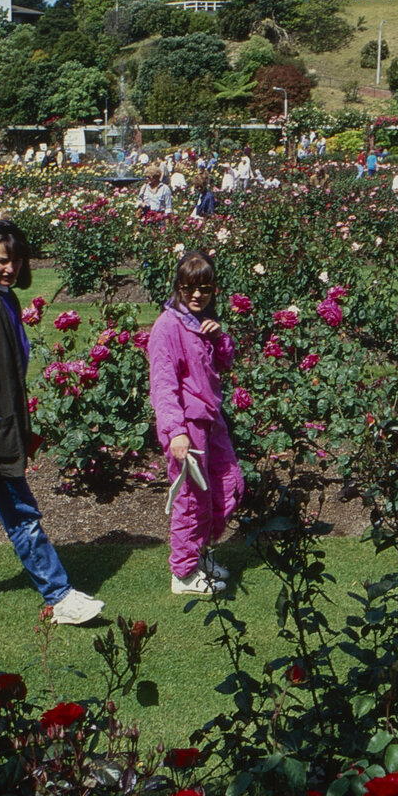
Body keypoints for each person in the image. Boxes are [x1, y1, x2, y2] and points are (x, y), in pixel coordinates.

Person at [0, 222, 105, 624]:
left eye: (16, 260)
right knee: (21, 513)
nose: (10, 267)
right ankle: (59, 596)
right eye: (1, 260)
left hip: (1, 424)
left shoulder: (4, 298)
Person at [147, 250, 245, 597]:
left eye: (204, 288)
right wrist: (176, 432)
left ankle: (199, 554)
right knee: (190, 498)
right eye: (189, 288)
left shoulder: (201, 322)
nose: (197, 295)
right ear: (178, 287)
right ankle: (184, 573)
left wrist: (219, 339)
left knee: (225, 485)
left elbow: (224, 364)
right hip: (187, 426)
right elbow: (163, 384)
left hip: (210, 420)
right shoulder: (168, 326)